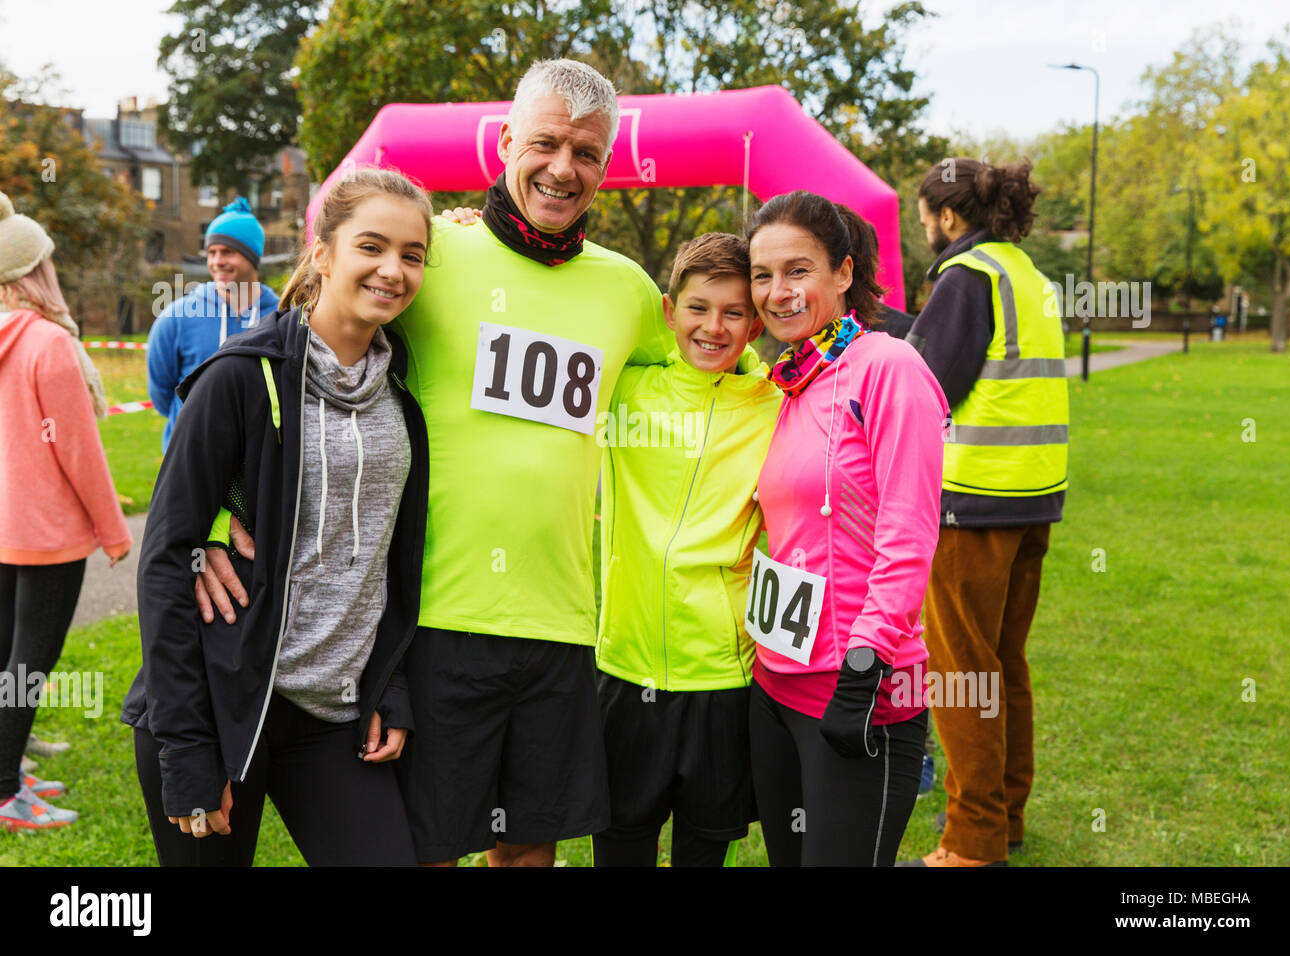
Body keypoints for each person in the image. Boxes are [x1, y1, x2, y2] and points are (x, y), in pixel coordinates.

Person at [198, 59, 673, 868]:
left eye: (587, 153)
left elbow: (694, 376)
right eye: (547, 143)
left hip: (562, 623)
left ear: (607, 165)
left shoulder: (627, 290)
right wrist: (219, 513)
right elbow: (287, 354)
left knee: (529, 851)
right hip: (432, 619)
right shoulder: (430, 256)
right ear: (506, 141)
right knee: (430, 848)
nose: (564, 168)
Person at [121, 168, 433, 866]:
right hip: (222, 707)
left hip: (334, 717)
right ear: (321, 253)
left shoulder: (403, 397)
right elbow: (168, 557)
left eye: (412, 255)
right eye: (372, 247)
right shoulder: (239, 377)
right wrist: (187, 748)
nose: (393, 270)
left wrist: (391, 685)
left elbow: (392, 564)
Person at [745, 192, 948, 866]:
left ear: (843, 273)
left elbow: (909, 534)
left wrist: (864, 668)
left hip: (861, 692)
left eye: (797, 271)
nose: (777, 292)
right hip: (775, 684)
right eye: (762, 274)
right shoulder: (784, 378)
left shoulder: (889, 368)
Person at [592, 232, 780, 867]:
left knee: (704, 849)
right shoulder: (625, 387)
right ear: (670, 311)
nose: (714, 327)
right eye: (698, 308)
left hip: (723, 679)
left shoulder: (778, 405)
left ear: (755, 322)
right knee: (621, 845)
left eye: (733, 312)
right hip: (622, 668)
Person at [900, 158, 1068, 868]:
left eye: (922, 216)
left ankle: (971, 843)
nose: (920, 230)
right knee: (1002, 664)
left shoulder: (965, 278)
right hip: (1033, 497)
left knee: (961, 670)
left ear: (947, 217)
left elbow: (925, 381)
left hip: (972, 503)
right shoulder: (1024, 273)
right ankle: (1006, 817)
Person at [0, 191, 132, 830]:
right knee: (28, 666)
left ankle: (6, 773)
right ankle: (5, 793)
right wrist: (113, 531)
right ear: (33, 271)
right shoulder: (50, 345)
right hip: (48, 533)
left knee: (7, 659)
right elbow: (79, 453)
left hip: (5, 527)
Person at [147, 196, 282, 450]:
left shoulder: (282, 317)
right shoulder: (177, 318)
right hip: (189, 461)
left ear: (252, 257)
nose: (217, 261)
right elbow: (161, 394)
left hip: (259, 463)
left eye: (228, 252)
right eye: (211, 252)